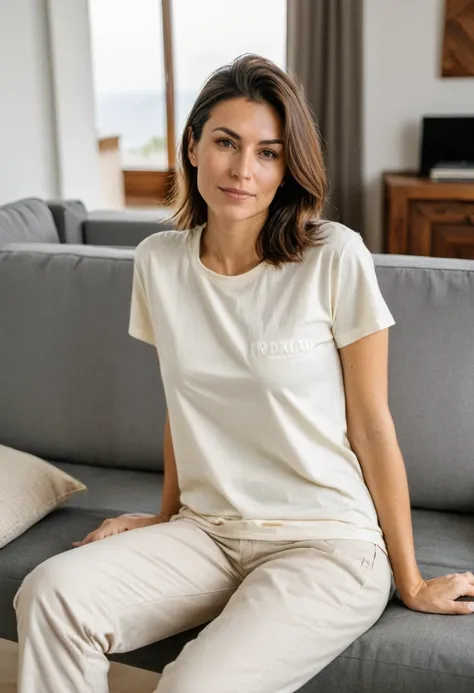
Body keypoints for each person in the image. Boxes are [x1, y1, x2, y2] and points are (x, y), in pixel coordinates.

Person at [14, 54, 474, 693]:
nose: (242, 169)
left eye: (268, 153)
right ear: (194, 147)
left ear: (288, 168)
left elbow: (373, 426)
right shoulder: (157, 263)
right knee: (52, 594)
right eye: (227, 143)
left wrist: (412, 579)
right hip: (208, 532)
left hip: (328, 544)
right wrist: (164, 513)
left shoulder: (333, 256)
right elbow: (182, 403)